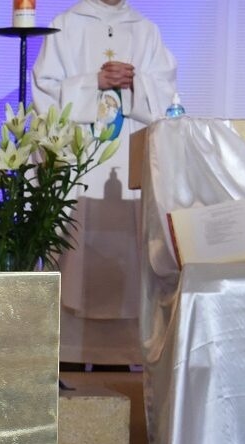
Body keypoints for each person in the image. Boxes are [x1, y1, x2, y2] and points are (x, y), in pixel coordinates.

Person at [32, 0, 177, 366]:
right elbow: (43, 94)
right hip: (78, 166)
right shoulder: (64, 26)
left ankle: (119, 359)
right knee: (75, 255)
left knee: (128, 260)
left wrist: (135, 84)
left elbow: (167, 100)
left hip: (128, 164)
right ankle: (69, 358)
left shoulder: (145, 30)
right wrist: (92, 83)